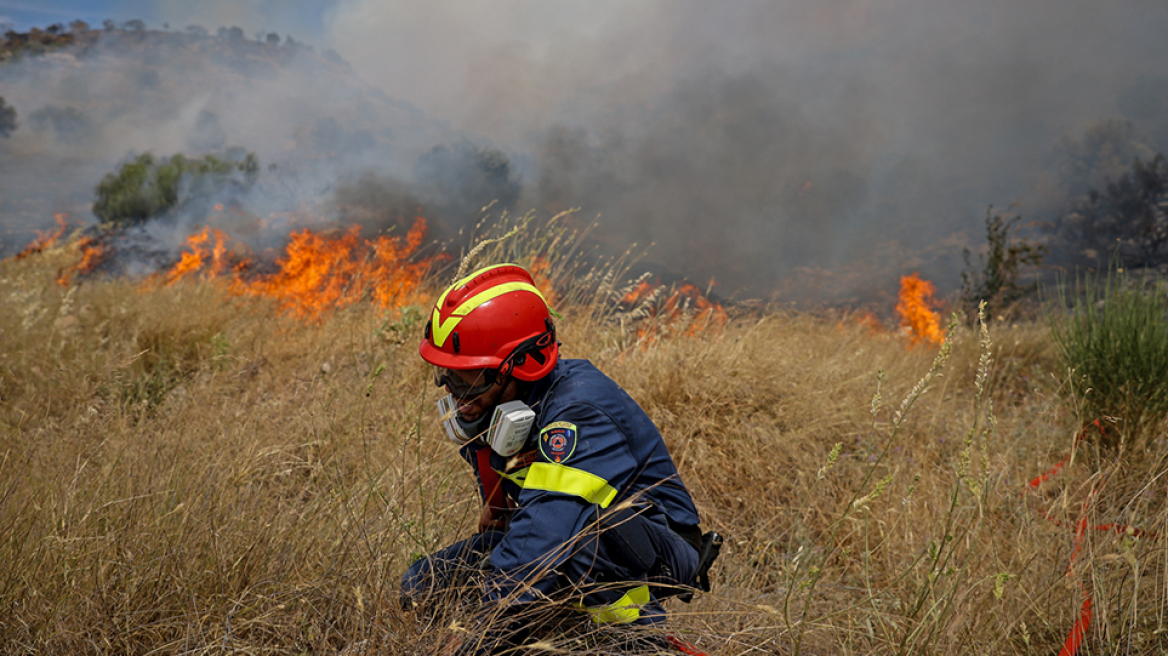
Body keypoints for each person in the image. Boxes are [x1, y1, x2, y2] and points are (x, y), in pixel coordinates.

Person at [402, 263, 717, 653]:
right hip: (563, 530)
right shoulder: (497, 407)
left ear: (522, 366)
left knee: (586, 543)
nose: (455, 394)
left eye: (470, 379)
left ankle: (636, 643)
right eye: (447, 375)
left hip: (647, 546)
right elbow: (515, 519)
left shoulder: (579, 413)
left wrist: (477, 640)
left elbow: (538, 544)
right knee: (421, 584)